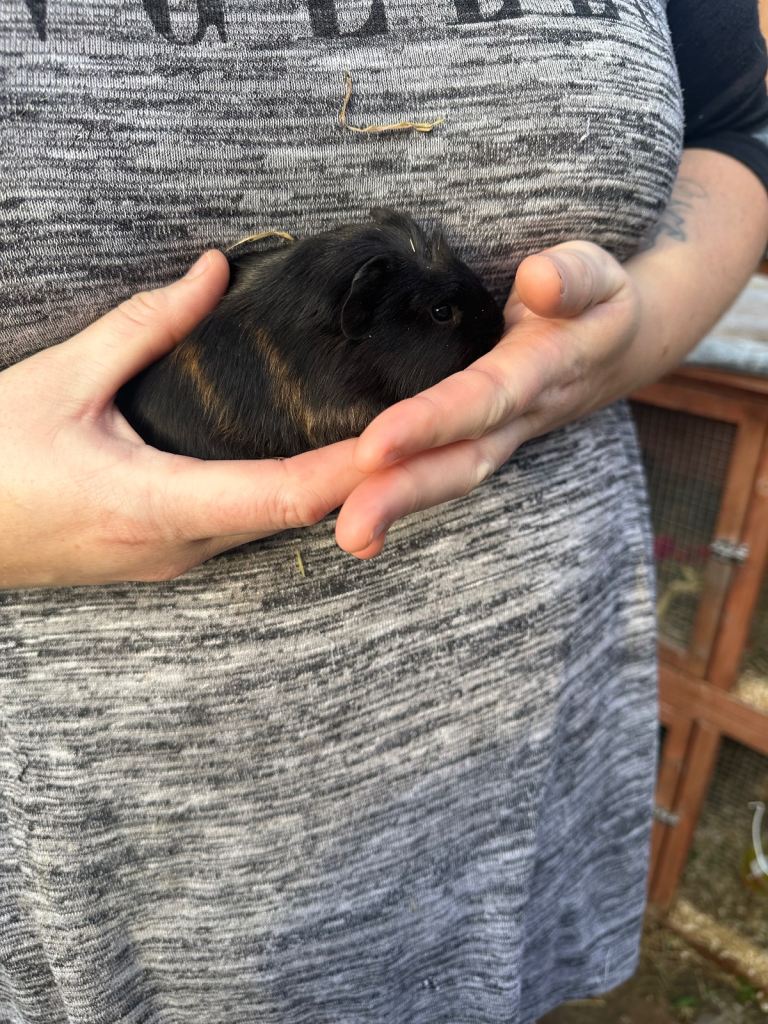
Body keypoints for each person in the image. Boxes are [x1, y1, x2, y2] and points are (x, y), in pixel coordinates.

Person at [1, 0, 767, 1021]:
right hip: (106, 851)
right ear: (357, 318)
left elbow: (733, 134)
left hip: (527, 728)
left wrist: (622, 338)